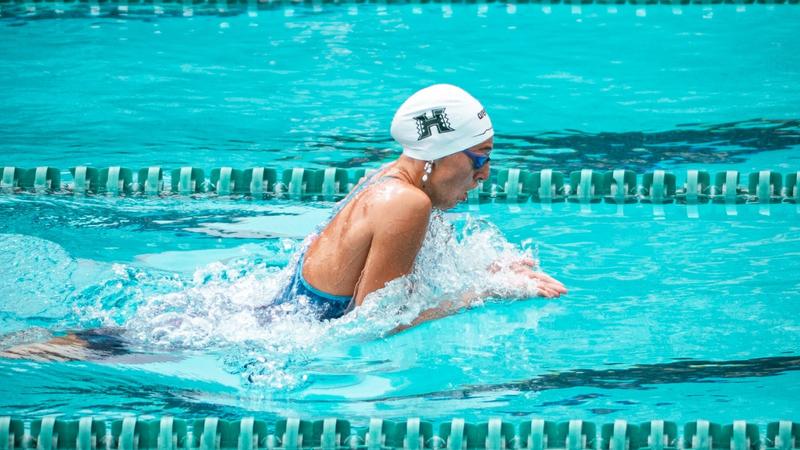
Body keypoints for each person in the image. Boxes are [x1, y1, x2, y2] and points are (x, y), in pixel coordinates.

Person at [273, 83, 567, 327]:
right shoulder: (405, 202)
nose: (485, 173)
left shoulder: (387, 179)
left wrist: (488, 272)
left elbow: (405, 286)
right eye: (480, 156)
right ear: (439, 152)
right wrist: (484, 291)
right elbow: (373, 324)